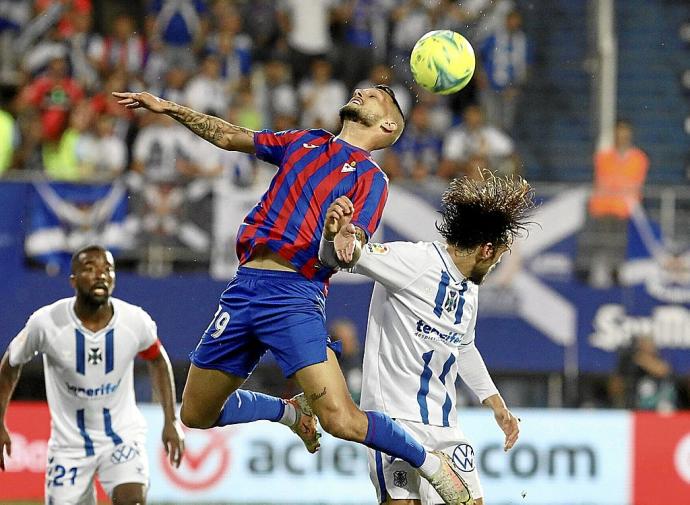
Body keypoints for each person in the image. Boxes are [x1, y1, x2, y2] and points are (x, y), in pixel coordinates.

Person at [111, 86, 474, 503]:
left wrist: (338, 231)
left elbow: (351, 248)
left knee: (341, 420)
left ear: (388, 124)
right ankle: (290, 412)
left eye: (373, 96)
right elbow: (231, 136)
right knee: (195, 413)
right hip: (243, 289)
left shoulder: (371, 179)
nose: (359, 92)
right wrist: (168, 106)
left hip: (294, 294)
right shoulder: (305, 141)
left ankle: (431, 464)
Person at [319, 172, 531, 504]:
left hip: (445, 429)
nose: (496, 265)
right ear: (486, 249)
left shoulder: (468, 289)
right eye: (499, 257)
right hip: (393, 422)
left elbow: (462, 346)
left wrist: (497, 405)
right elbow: (339, 256)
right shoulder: (414, 261)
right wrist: (333, 236)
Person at [0, 245, 185, 505]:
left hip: (122, 438)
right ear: (73, 280)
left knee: (132, 500)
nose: (101, 275)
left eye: (107, 269)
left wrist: (171, 419)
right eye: (90, 269)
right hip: (69, 447)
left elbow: (157, 360)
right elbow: (10, 366)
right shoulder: (46, 323)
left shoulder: (134, 321)